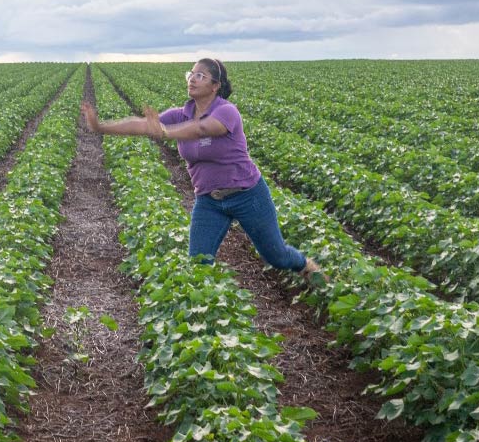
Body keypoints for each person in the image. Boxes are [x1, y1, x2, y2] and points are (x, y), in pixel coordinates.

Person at [81, 58, 326, 283]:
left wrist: (166, 132)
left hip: (248, 195)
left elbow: (202, 129)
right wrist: (101, 126)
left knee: (277, 257)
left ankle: (307, 267)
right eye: (191, 74)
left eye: (200, 75)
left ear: (215, 86)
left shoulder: (226, 111)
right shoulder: (181, 114)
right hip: (209, 200)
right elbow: (144, 124)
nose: (192, 79)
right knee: (198, 263)